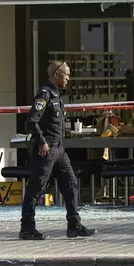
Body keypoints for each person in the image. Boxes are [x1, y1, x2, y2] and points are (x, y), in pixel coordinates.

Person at [20, 60, 97, 240]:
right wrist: (41, 142)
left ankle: (74, 225)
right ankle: (27, 228)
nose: (69, 78)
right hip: (46, 151)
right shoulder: (44, 94)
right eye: (66, 74)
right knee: (36, 189)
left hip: (59, 149)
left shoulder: (56, 94)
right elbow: (31, 121)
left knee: (71, 184)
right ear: (56, 74)